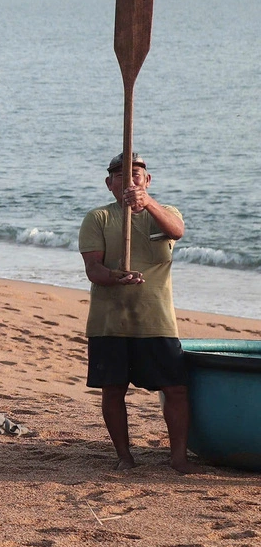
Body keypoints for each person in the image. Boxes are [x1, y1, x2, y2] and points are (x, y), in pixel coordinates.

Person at [78, 152, 199, 473]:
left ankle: (178, 458)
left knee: (175, 388)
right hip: (110, 320)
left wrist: (148, 203)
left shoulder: (164, 213)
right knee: (114, 389)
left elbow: (177, 231)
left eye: (136, 175)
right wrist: (113, 277)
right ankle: (124, 455)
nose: (129, 181)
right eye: (120, 176)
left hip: (156, 320)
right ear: (109, 184)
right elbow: (93, 268)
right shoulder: (98, 218)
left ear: (147, 180)